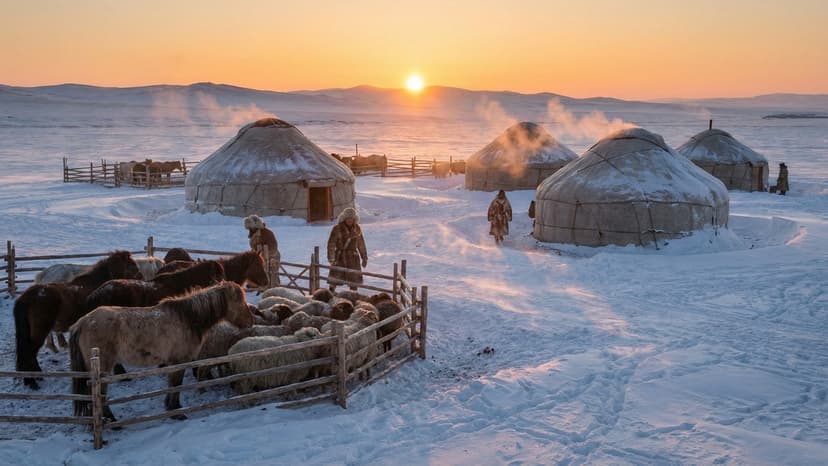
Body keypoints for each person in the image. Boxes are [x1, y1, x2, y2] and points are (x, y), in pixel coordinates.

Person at [327, 207, 368, 291]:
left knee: (353, 281)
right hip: (340, 257)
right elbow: (331, 244)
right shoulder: (337, 228)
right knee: (335, 279)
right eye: (348, 218)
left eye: (351, 218)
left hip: (353, 258)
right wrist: (331, 257)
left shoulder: (357, 229)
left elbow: (361, 244)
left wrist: (364, 257)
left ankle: (353, 296)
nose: (350, 220)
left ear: (354, 219)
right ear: (344, 218)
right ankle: (330, 294)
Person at [243, 214, 280, 287]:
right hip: (260, 257)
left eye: (251, 227)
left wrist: (263, 255)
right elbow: (254, 247)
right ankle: (257, 285)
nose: (250, 229)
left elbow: (273, 247)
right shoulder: (253, 234)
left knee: (272, 275)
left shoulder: (267, 233)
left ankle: (274, 290)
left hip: (272, 257)